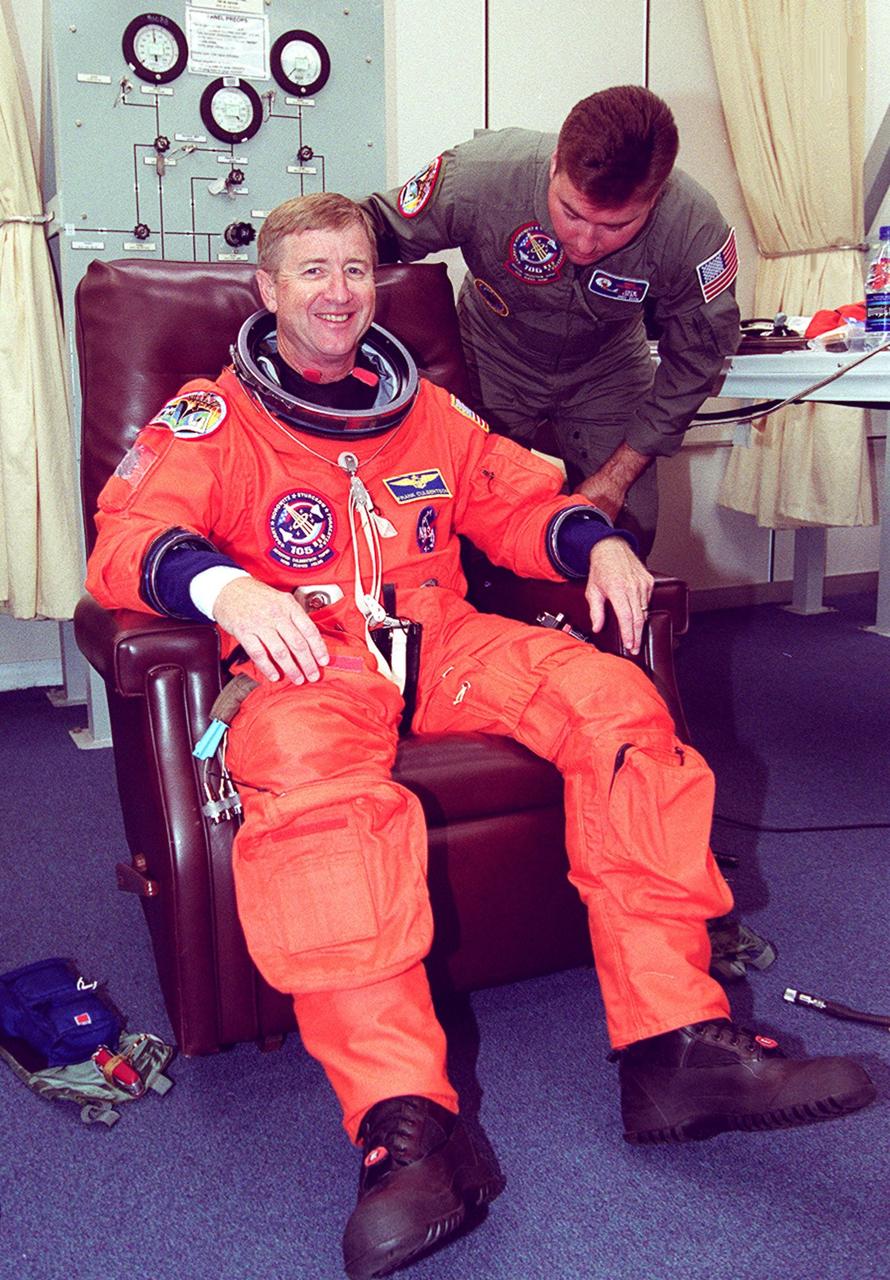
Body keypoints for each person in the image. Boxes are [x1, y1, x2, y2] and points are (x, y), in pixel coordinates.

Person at [85, 194, 873, 1280]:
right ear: (265, 289)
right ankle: (406, 1125)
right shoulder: (210, 421)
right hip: (307, 653)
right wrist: (228, 590)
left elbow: (515, 499)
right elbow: (126, 536)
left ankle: (675, 1046)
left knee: (618, 707)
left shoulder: (424, 412)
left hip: (439, 636)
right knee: (321, 803)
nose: (338, 293)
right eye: (311, 272)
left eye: (354, 270)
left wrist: (592, 541)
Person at [361, 84, 741, 556]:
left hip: (608, 366)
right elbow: (373, 228)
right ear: (555, 162)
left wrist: (617, 477)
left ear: (656, 196)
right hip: (492, 355)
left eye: (616, 226)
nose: (584, 243)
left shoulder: (692, 228)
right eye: (571, 213)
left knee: (631, 522)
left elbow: (697, 357)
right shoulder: (482, 175)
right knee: (470, 522)